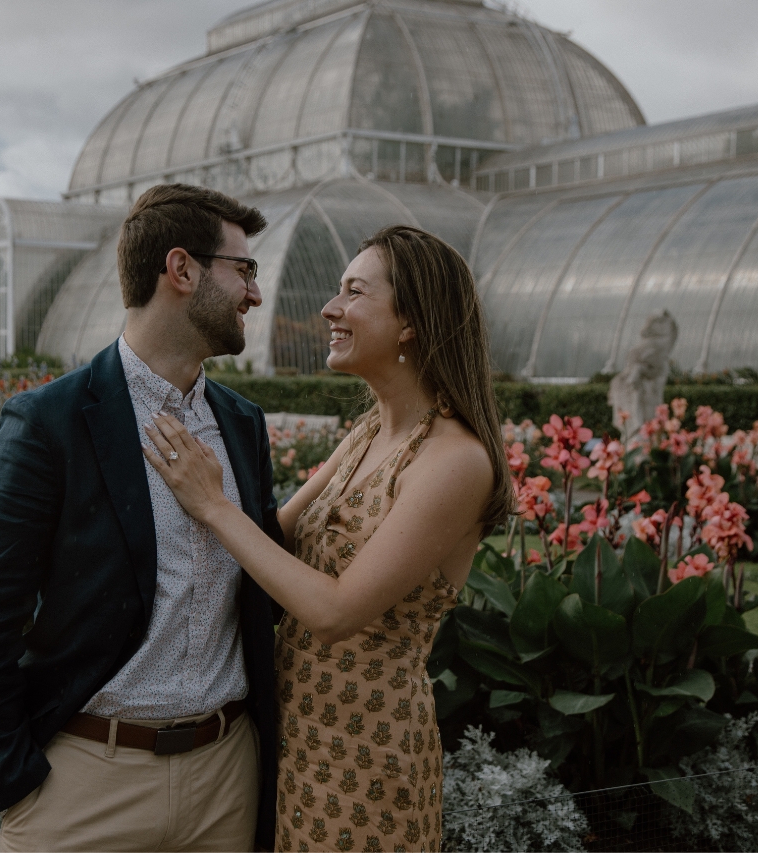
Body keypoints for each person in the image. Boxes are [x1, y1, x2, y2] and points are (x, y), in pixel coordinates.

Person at [143, 225, 516, 853]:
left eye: (355, 292)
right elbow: (274, 543)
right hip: (292, 736)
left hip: (365, 761)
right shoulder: (368, 433)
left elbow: (334, 612)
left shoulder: (456, 461)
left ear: (411, 322)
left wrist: (211, 504)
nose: (330, 308)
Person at [0, 183, 284, 852]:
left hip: (227, 780)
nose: (255, 294)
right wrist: (17, 779)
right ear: (181, 270)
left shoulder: (242, 424)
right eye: (243, 270)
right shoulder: (49, 423)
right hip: (88, 786)